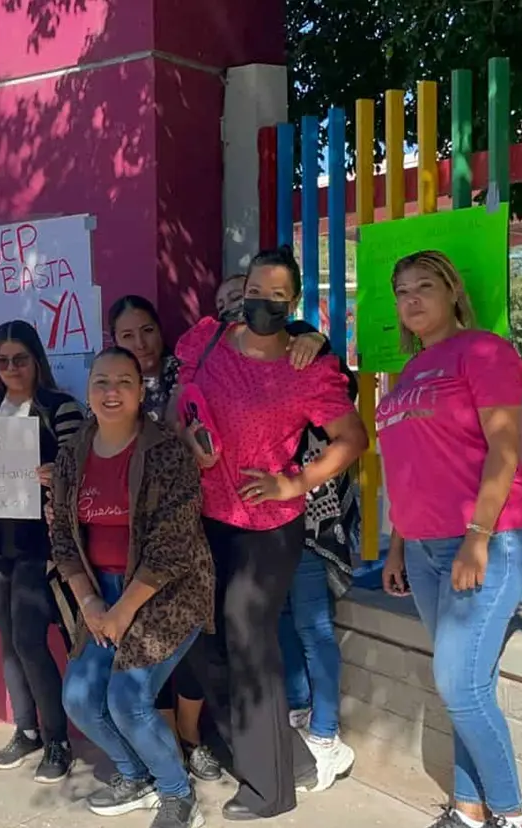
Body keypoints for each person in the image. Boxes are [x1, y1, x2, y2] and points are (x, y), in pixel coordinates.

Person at [174, 247, 367, 820]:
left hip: (266, 528)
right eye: (255, 289)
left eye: (276, 296)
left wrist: (295, 483)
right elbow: (178, 405)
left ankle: (269, 791)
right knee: (206, 643)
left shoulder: (306, 366)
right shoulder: (206, 340)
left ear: (292, 304)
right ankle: (276, 759)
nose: (260, 302)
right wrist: (189, 440)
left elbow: (352, 438)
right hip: (204, 518)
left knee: (248, 642)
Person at [377, 251, 522, 828]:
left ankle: (510, 814)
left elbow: (504, 447)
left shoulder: (485, 351)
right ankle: (469, 809)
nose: (412, 298)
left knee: (458, 683)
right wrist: (397, 546)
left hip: (486, 540)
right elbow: (409, 470)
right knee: (468, 684)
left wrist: (478, 536)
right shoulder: (406, 372)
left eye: (424, 286)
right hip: (420, 548)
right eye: (402, 291)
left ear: (452, 291)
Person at [51, 347, 214, 828]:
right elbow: (62, 536)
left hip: (165, 592)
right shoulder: (72, 453)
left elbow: (171, 548)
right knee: (79, 698)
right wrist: (91, 602)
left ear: (141, 390)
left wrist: (121, 612)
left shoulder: (166, 452)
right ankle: (136, 775)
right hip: (100, 591)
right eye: (101, 382)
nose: (111, 392)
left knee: (127, 699)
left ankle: (177, 794)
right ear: (88, 391)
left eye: (123, 381)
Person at [0, 320, 83, 784]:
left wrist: (59, 474)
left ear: (37, 359)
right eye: (3, 361)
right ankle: (26, 729)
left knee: (32, 641)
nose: (12, 368)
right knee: (10, 642)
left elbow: (84, 469)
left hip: (40, 543)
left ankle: (58, 739)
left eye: (20, 358)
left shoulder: (61, 408)